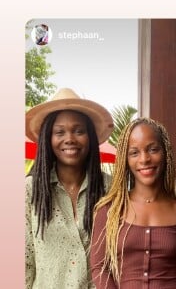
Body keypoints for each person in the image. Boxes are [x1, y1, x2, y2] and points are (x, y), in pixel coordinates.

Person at [90, 117, 176, 289]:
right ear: (126, 159)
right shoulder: (109, 211)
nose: (144, 159)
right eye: (134, 152)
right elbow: (99, 269)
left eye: (153, 149)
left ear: (166, 153)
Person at [25, 88, 114, 289]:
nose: (70, 139)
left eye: (79, 131)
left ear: (90, 137)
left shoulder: (110, 189)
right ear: (48, 138)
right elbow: (23, 263)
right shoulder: (29, 191)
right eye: (60, 132)